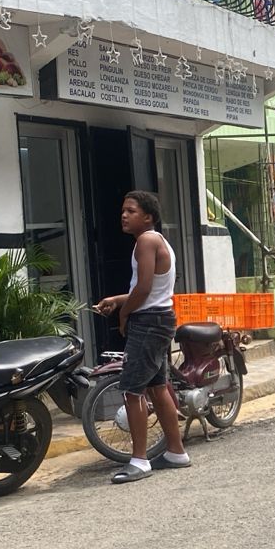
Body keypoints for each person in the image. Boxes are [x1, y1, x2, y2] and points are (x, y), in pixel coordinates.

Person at [94, 191, 190, 484]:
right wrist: (118, 300)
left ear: (148, 217)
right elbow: (150, 289)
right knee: (157, 388)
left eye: (131, 211)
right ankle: (176, 452)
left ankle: (139, 460)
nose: (124, 215)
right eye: (123, 210)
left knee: (132, 390)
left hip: (148, 322)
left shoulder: (146, 241)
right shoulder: (158, 240)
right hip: (159, 319)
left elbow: (145, 288)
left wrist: (124, 314)